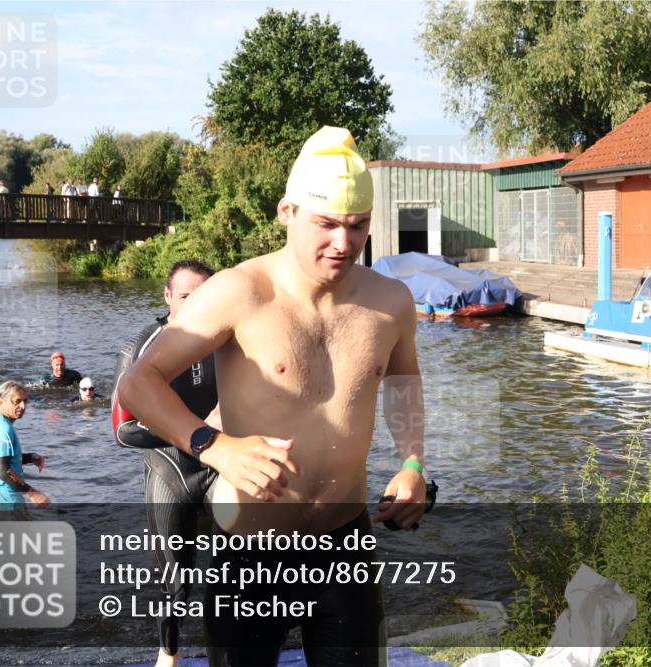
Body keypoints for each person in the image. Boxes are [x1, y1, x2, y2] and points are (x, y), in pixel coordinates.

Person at [118, 126, 426, 667]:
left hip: (343, 545)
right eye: (327, 224)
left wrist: (412, 462)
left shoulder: (391, 302)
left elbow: (404, 381)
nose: (343, 243)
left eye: (357, 227)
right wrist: (213, 446)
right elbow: (137, 384)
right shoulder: (240, 292)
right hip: (248, 552)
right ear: (286, 212)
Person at [111, 259, 217, 667]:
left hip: (223, 471)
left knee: (241, 571)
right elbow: (124, 430)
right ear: (168, 296)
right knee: (177, 583)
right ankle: (168, 656)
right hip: (171, 472)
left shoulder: (231, 340)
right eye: (187, 296)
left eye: (204, 296)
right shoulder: (143, 344)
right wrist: (200, 432)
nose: (196, 304)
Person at [0, 381, 49, 511]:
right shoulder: (4, 429)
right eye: (17, 401)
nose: (23, 406)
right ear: (1, 401)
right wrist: (33, 494)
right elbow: (3, 471)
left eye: (25, 401)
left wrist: (30, 457)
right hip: (7, 505)